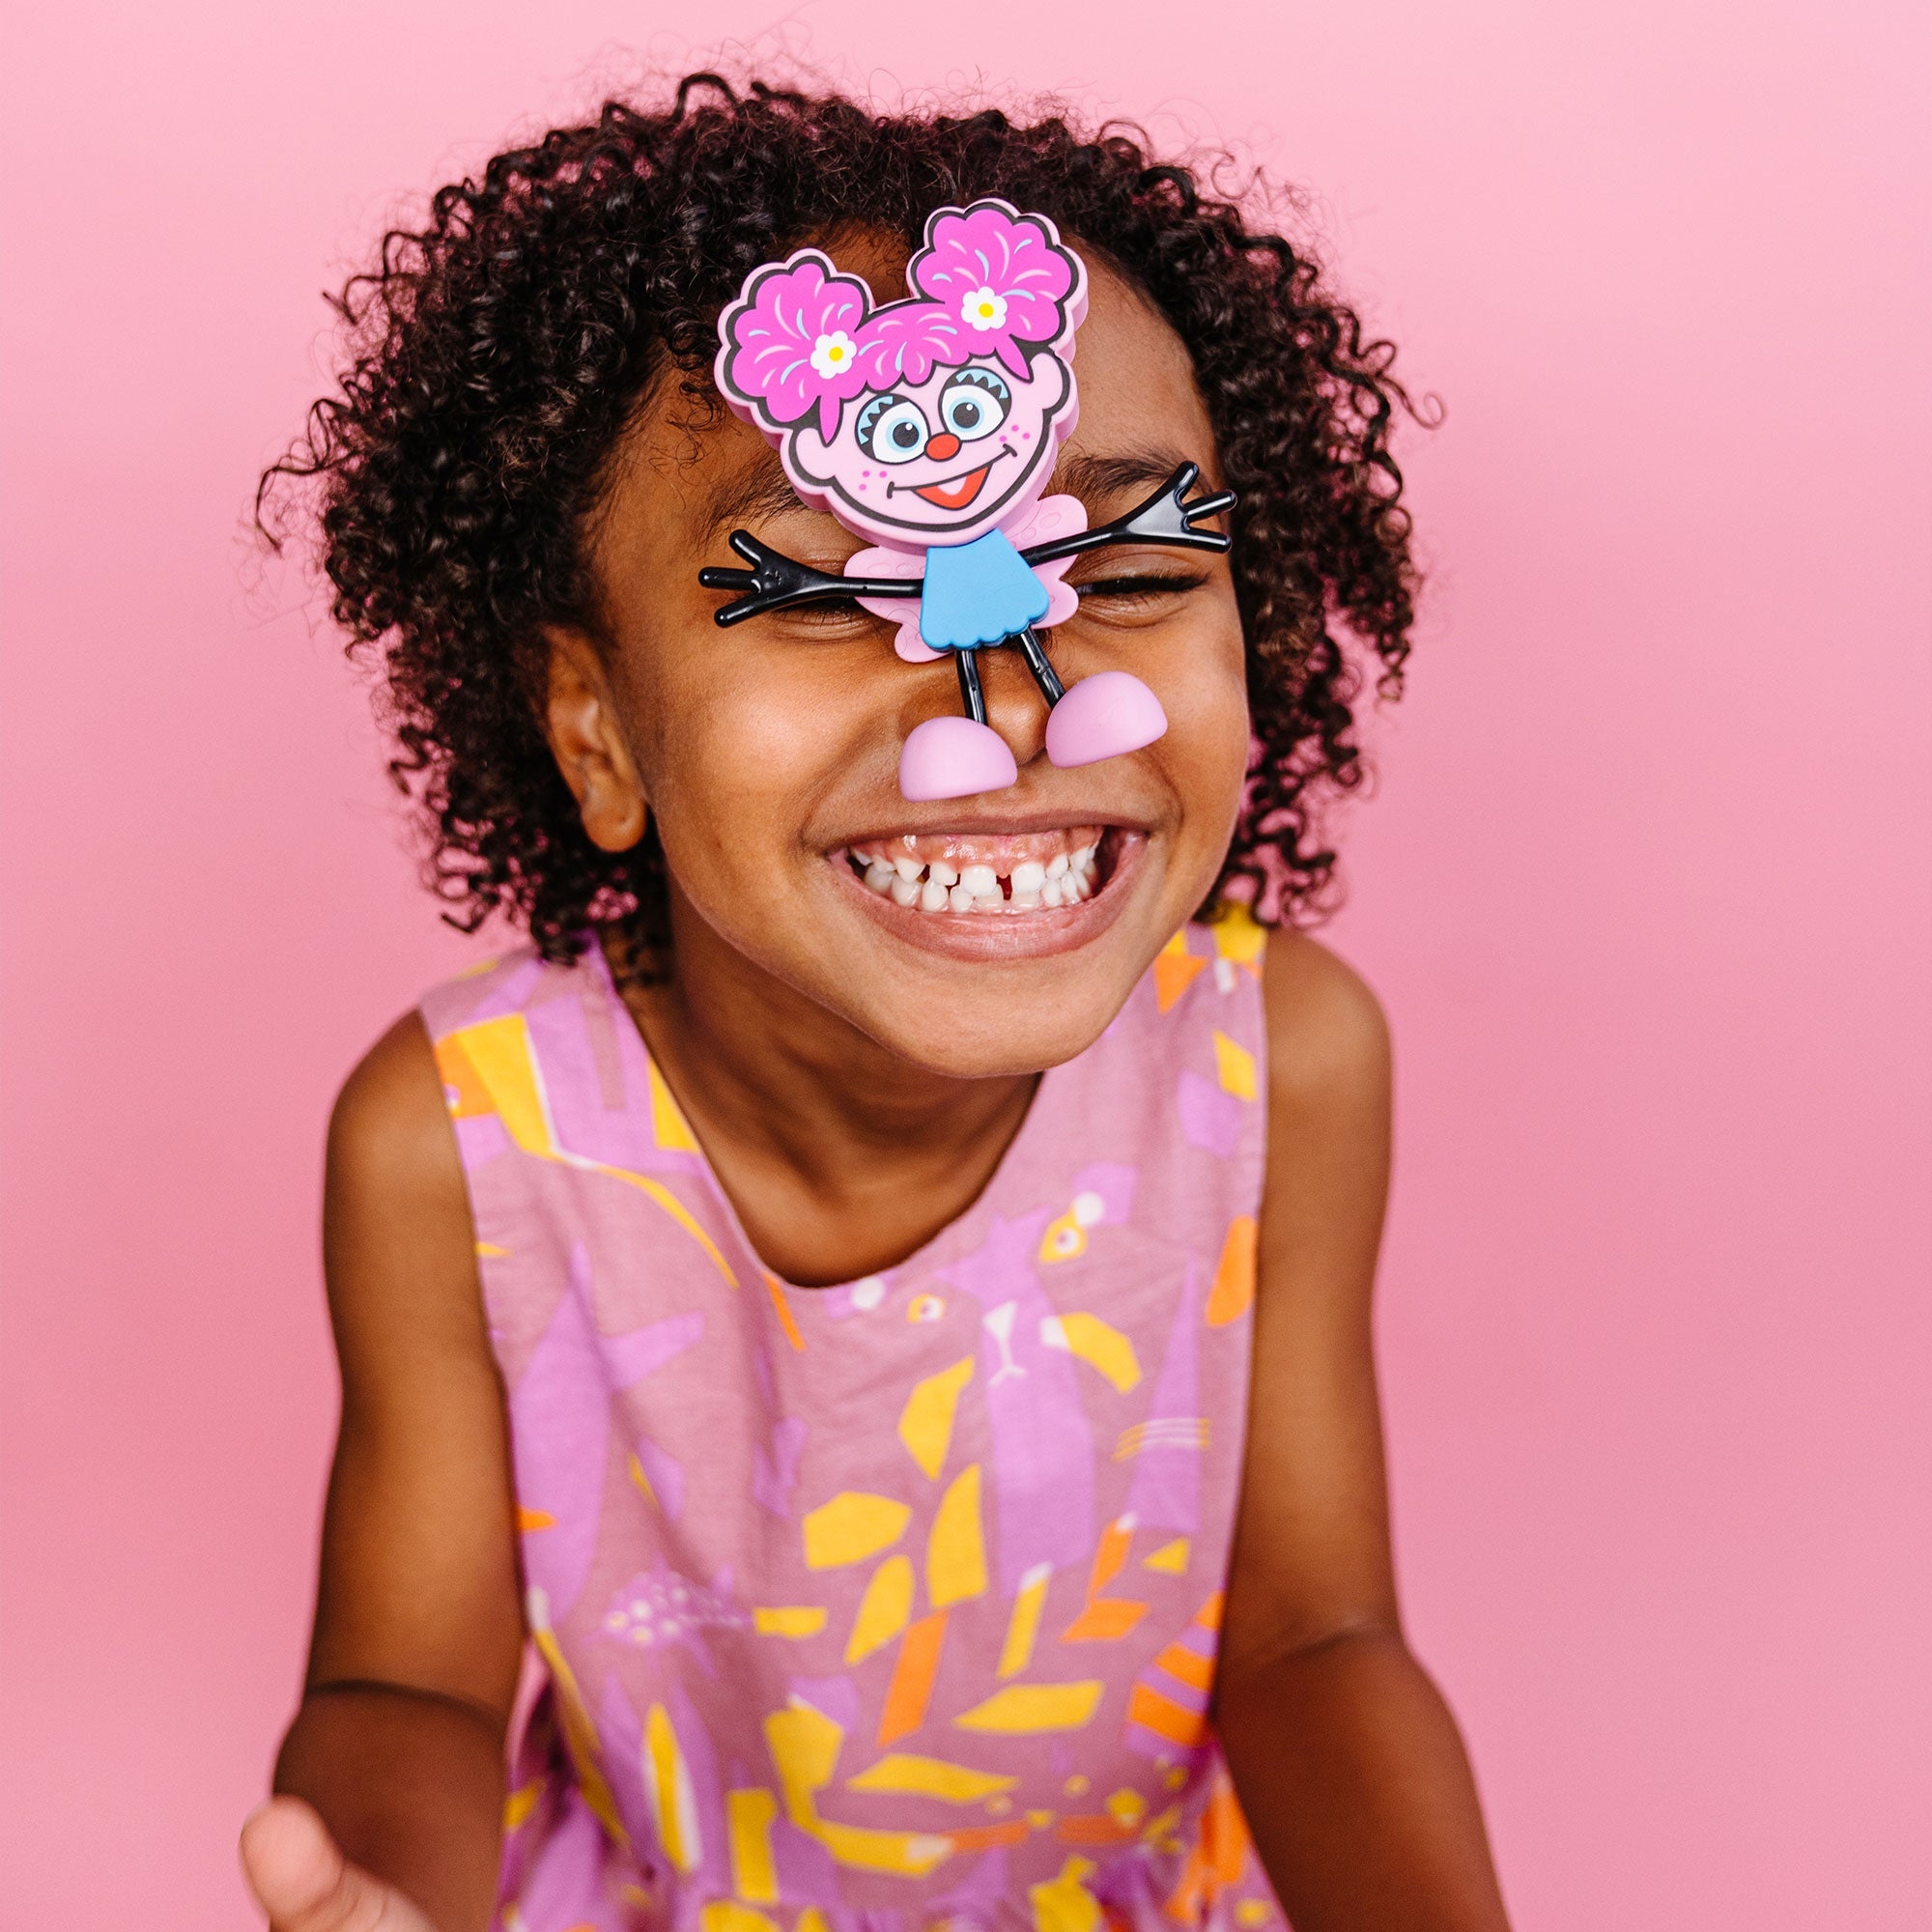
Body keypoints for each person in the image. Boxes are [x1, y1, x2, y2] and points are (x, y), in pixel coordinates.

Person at [241, 74, 1513, 1932]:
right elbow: (403, 1687)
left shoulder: (1278, 1065)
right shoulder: (461, 1145)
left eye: (1128, 568)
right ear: (598, 732)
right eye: (833, 597)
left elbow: (1314, 1639)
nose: (1010, 706)